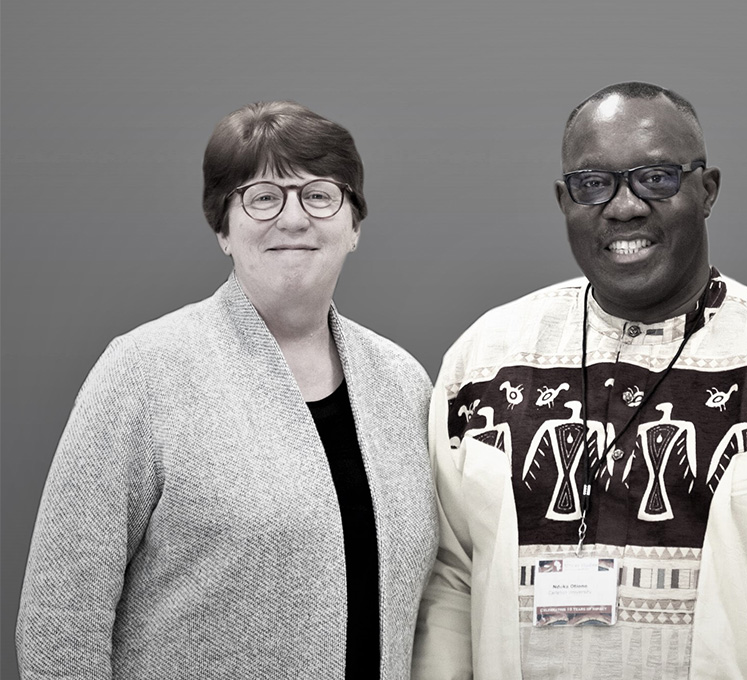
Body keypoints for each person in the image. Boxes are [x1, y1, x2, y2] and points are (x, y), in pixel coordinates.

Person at [414, 81, 747, 679]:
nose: (624, 206)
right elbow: (449, 584)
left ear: (708, 190)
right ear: (564, 200)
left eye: (655, 177)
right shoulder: (483, 362)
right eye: (593, 183)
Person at [17, 101, 437, 678]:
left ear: (355, 226)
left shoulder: (403, 383)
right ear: (223, 228)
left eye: (320, 195)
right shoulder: (144, 372)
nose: (294, 219)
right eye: (263, 197)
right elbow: (59, 622)